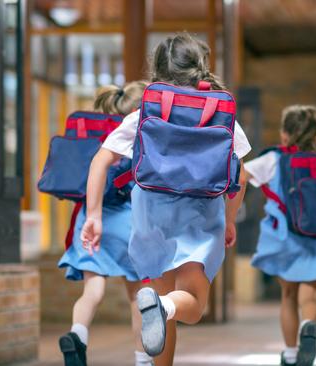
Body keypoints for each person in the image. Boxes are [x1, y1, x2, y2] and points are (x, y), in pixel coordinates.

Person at [81, 33, 251, 366]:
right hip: (200, 216)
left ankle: (161, 309)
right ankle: (165, 306)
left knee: (161, 303)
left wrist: (93, 215)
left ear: (157, 67)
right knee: (191, 304)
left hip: (151, 215)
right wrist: (230, 217)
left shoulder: (146, 110)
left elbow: (100, 160)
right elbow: (241, 175)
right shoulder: (219, 110)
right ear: (199, 65)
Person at [57, 81, 153, 366]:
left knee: (93, 291)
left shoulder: (98, 134)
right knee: (138, 297)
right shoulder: (137, 132)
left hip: (91, 219)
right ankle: (142, 360)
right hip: (127, 221)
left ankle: (78, 335)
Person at [242, 105, 316, 366]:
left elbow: (238, 177)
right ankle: (309, 325)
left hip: (283, 236)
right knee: (310, 295)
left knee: (288, 296)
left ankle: (289, 354)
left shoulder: (273, 159)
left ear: (285, 134)